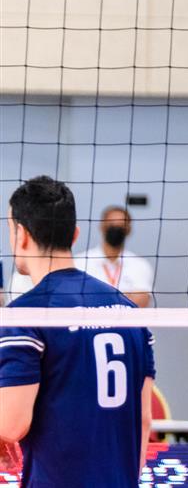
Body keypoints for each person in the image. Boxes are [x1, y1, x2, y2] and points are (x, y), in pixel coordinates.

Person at [0, 176, 156, 487]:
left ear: (22, 235)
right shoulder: (130, 312)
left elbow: (11, 425)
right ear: (74, 234)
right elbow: (144, 420)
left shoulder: (25, 314)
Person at [78, 204, 155, 308]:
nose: (116, 228)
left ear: (129, 230)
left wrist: (96, 297)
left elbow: (140, 302)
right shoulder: (80, 262)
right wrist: (125, 296)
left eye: (121, 225)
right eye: (111, 224)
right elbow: (77, 300)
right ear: (101, 226)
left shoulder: (140, 265)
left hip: (128, 319)